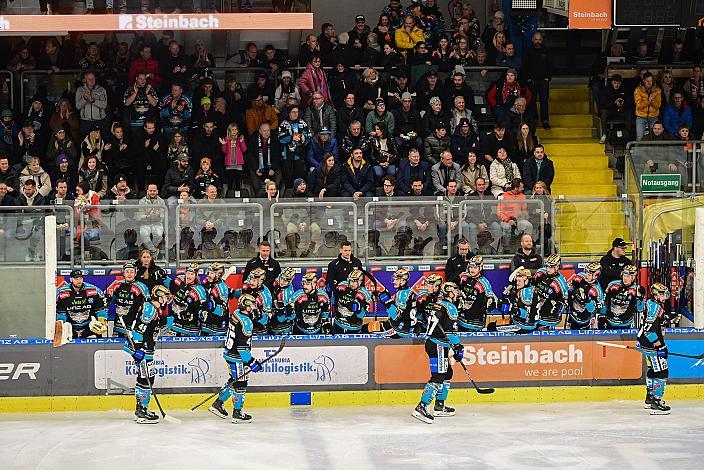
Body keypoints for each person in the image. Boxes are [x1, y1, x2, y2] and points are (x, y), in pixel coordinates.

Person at [411, 281, 463, 424]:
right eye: (455, 291)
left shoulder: (438, 304)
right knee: (438, 376)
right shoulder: (450, 307)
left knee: (447, 373)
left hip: (434, 343)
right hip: (438, 345)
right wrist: (458, 347)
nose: (457, 293)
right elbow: (450, 331)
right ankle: (421, 406)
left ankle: (439, 406)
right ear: (450, 293)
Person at [207, 293, 264, 424]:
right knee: (241, 383)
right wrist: (251, 362)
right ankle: (237, 413)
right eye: (252, 305)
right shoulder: (246, 322)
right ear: (246, 306)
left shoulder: (236, 313)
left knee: (233, 380)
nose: (254, 307)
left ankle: (218, 404)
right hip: (237, 357)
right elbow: (242, 347)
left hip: (229, 354)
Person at [124, 285, 172, 424]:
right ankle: (140, 412)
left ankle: (142, 408)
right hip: (143, 350)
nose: (166, 299)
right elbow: (138, 331)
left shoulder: (154, 308)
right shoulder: (150, 309)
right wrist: (139, 349)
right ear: (158, 296)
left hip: (147, 350)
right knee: (146, 379)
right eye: (164, 296)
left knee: (147, 378)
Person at [637, 283, 672, 415]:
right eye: (662, 294)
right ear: (655, 295)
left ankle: (649, 398)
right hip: (651, 344)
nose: (665, 297)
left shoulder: (651, 303)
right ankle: (656, 402)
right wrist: (660, 345)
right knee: (662, 371)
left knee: (653, 369)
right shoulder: (655, 307)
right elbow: (649, 331)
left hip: (646, 343)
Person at [56, 269, 107, 340]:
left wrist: (102, 322)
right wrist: (61, 327)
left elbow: (100, 309)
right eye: (76, 278)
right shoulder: (61, 292)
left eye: (81, 278)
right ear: (71, 279)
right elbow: (61, 313)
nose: (79, 280)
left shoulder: (94, 290)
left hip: (89, 326)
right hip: (70, 328)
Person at [109, 261, 150, 337]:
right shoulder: (118, 285)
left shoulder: (141, 287)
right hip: (118, 323)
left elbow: (147, 306)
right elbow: (111, 301)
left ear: (135, 273)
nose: (129, 274)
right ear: (123, 273)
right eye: (127, 272)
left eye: (132, 272)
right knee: (116, 346)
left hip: (133, 324)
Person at [521, 32, 553, 129]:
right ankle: (534, 119)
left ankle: (545, 120)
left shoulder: (546, 51)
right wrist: (528, 79)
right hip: (532, 81)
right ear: (532, 39)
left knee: (544, 101)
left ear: (542, 40)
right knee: (532, 101)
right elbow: (524, 66)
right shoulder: (528, 51)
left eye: (539, 39)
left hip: (544, 81)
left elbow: (550, 65)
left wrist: (548, 78)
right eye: (536, 39)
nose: (537, 41)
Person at [456, 256, 497, 332]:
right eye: (470, 267)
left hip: (475, 323)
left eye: (475, 268)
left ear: (480, 268)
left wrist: (489, 302)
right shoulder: (464, 277)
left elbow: (491, 300)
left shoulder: (484, 283)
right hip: (461, 319)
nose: (472, 270)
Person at [168, 263, 208, 337]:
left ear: (196, 276)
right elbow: (170, 288)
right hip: (175, 324)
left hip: (189, 327)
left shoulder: (199, 290)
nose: (189, 276)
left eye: (192, 274)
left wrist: (197, 313)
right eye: (188, 273)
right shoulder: (178, 280)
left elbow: (202, 308)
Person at [376, 267, 417, 338]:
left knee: (367, 327)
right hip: (406, 326)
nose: (394, 281)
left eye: (397, 279)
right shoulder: (408, 291)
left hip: (399, 329)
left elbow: (396, 316)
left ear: (404, 281)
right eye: (394, 279)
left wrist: (386, 302)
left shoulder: (402, 294)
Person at [278, 105, 311, 189]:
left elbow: (309, 135)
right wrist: (291, 137)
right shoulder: (284, 124)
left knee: (300, 175)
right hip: (287, 155)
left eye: (297, 112)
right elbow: (280, 138)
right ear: (289, 113)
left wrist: (304, 137)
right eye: (293, 112)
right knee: (288, 176)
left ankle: (300, 192)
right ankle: (288, 192)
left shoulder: (302, 123)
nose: (296, 114)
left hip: (299, 154)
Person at [601, 264, 644, 330]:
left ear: (633, 277)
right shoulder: (612, 284)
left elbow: (640, 309)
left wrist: (640, 298)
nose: (625, 278)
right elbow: (604, 301)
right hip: (609, 322)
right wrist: (602, 316)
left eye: (628, 276)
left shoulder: (637, 289)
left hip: (626, 324)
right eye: (624, 275)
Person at [531, 254, 568, 328]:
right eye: (547, 266)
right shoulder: (540, 273)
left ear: (557, 267)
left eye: (551, 267)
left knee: (543, 330)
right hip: (535, 303)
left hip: (548, 309)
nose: (548, 269)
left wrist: (558, 308)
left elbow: (565, 301)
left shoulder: (561, 282)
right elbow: (532, 284)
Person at [330, 269, 372, 334]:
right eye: (350, 281)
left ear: (360, 281)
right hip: (337, 324)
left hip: (353, 328)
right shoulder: (342, 285)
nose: (351, 284)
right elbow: (333, 299)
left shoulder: (365, 294)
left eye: (354, 281)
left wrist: (358, 308)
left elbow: (363, 314)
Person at [234, 268, 273, 336]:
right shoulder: (247, 284)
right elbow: (239, 294)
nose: (251, 282)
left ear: (261, 281)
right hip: (244, 322)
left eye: (254, 280)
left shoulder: (265, 296)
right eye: (250, 279)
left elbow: (267, 318)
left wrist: (258, 315)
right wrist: (234, 293)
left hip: (258, 329)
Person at [566, 263, 604, 330]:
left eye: (589, 275)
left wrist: (586, 301)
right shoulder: (579, 277)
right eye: (586, 273)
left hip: (585, 321)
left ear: (596, 276)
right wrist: (572, 292)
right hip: (572, 316)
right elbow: (568, 289)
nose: (586, 275)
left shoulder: (597, 291)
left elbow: (594, 310)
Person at [200, 263, 230, 337]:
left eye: (213, 273)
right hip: (206, 321)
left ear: (219, 275)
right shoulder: (206, 281)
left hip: (217, 322)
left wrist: (208, 307)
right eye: (209, 272)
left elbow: (221, 309)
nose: (209, 275)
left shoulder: (221, 288)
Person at [76, 71, 108, 137]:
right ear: (85, 80)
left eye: (93, 78)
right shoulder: (80, 90)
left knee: (100, 143)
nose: (92, 80)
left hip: (99, 121)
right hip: (85, 122)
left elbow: (104, 105)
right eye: (89, 79)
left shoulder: (101, 89)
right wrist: (85, 100)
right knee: (86, 144)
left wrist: (93, 100)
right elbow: (77, 106)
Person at [137, 184, 166, 254]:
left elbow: (164, 215)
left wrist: (158, 215)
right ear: (147, 191)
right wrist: (148, 216)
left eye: (154, 191)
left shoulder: (161, 201)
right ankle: (153, 251)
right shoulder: (142, 201)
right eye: (150, 191)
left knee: (159, 234)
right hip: (145, 223)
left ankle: (148, 252)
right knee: (143, 234)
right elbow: (139, 216)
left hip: (157, 222)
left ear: (157, 191)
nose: (152, 192)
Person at [268, 267, 297, 335]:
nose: (282, 282)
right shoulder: (277, 280)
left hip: (281, 320)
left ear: (290, 281)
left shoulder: (288, 294)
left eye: (286, 280)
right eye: (282, 278)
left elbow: (288, 315)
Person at [634, 72, 662, 140]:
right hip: (641, 117)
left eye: (651, 81)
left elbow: (657, 106)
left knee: (654, 138)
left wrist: (652, 101)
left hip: (653, 117)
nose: (649, 83)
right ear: (643, 80)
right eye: (647, 81)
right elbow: (639, 106)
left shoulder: (657, 90)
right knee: (639, 138)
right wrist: (648, 101)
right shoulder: (638, 90)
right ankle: (639, 151)